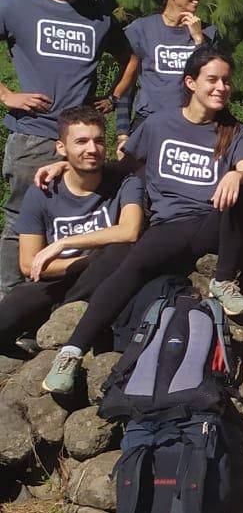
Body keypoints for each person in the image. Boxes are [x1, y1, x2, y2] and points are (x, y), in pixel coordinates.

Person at [40, 46, 243, 396]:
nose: (221, 87)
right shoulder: (159, 124)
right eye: (212, 79)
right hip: (169, 226)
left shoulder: (236, 131)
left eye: (227, 81)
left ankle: (223, 281)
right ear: (191, 82)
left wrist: (236, 175)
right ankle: (71, 352)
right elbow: (123, 167)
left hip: (215, 223)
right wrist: (69, 165)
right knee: (133, 264)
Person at [0, 0, 129, 295]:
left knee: (78, 222)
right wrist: (7, 95)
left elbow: (129, 56)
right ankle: (9, 305)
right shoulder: (15, 5)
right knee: (21, 222)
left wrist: (114, 96)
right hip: (34, 135)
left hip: (82, 140)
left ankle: (57, 303)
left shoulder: (97, 15)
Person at [0, 108, 144, 351]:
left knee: (120, 252)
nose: (91, 149)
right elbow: (29, 264)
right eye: (81, 141)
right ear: (61, 148)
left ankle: (59, 322)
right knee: (10, 310)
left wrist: (65, 243)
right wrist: (87, 262)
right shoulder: (43, 190)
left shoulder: (125, 184)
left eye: (98, 141)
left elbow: (129, 231)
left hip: (106, 279)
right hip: (58, 280)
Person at [115, 0, 219, 155]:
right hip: (149, 124)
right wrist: (122, 134)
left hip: (193, 127)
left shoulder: (209, 33)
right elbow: (126, 84)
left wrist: (199, 39)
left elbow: (214, 78)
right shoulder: (141, 30)